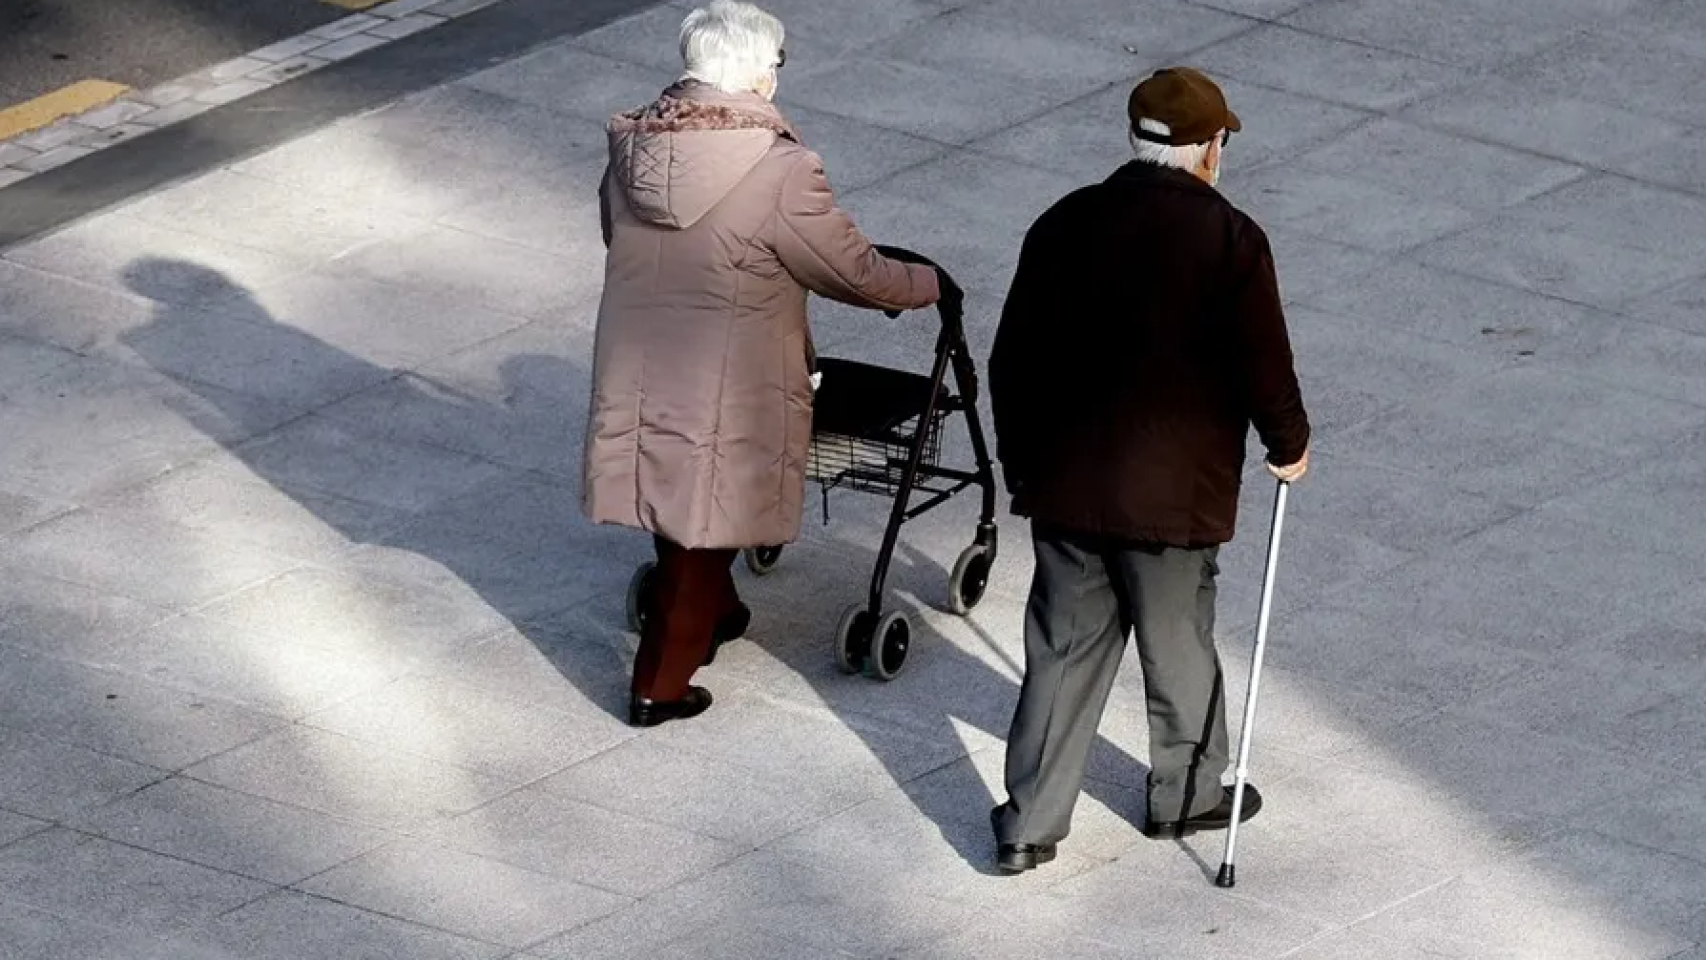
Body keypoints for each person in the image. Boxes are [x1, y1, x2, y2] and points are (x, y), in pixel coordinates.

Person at [582, 0, 952, 728]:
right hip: (732, 375)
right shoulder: (778, 168)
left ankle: (717, 612)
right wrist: (929, 284)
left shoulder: (634, 146)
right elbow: (851, 270)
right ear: (753, 72)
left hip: (640, 355)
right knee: (704, 520)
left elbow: (612, 234)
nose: (778, 75)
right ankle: (659, 684)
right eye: (776, 62)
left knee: (680, 496)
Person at [986, 66, 1311, 872]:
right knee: (1178, 645)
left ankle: (1028, 823)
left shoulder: (1063, 223)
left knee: (1061, 651)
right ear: (1209, 151)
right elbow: (1262, 363)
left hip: (1068, 485)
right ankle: (1188, 795)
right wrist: (1288, 442)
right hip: (1171, 499)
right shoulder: (1230, 240)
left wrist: (1024, 461)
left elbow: (1011, 357)